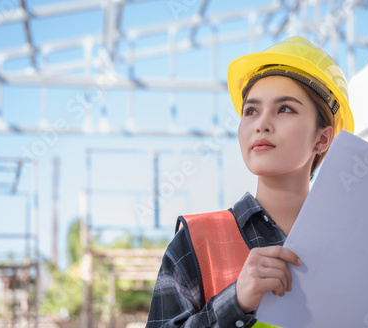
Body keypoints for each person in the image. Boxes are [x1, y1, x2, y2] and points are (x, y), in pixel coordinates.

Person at [146, 36, 354, 328]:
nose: (261, 124)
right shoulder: (197, 241)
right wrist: (235, 302)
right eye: (251, 111)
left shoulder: (354, 245)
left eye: (284, 109)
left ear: (322, 138)